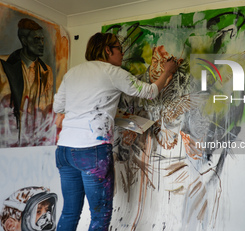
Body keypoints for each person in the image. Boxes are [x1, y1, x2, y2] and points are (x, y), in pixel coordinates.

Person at [53, 32, 178, 231]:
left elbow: (58, 107)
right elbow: (150, 92)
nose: (122, 53)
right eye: (119, 48)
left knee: (70, 212)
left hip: (65, 151)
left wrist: (103, 113)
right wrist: (167, 71)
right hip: (91, 151)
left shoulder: (73, 73)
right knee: (100, 216)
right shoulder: (113, 72)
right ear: (107, 50)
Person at [0, 18, 54, 147]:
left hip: (35, 139)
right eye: (36, 39)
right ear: (24, 41)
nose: (41, 44)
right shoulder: (3, 65)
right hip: (8, 137)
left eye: (42, 39)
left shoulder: (46, 71)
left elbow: (46, 108)